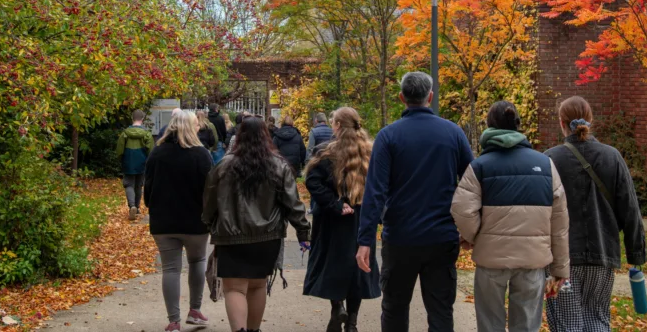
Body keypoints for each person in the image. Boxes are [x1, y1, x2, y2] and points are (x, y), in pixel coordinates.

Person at [357, 72, 474, 332]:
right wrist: (469, 229)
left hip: (400, 238)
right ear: (430, 97)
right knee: (441, 310)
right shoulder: (453, 133)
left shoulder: (388, 137)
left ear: (402, 98)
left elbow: (375, 191)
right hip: (442, 236)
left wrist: (365, 239)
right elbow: (472, 183)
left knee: (395, 308)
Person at [451, 101, 569, 332]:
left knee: (489, 324)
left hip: (491, 259)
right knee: (526, 326)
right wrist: (560, 269)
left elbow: (462, 209)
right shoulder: (545, 165)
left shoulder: (480, 166)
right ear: (518, 126)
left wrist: (476, 236)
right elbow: (560, 222)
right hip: (532, 261)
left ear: (489, 125)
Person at [545, 96, 647, 332]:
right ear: (590, 121)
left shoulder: (549, 159)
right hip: (603, 256)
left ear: (561, 123)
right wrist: (636, 254)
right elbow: (630, 209)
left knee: (564, 323)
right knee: (598, 320)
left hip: (561, 260)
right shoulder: (613, 157)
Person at [202, 117, 311, 332]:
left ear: (239, 136)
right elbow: (293, 204)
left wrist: (209, 223)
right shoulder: (279, 166)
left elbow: (209, 202)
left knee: (234, 289)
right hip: (267, 236)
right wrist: (303, 232)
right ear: (266, 136)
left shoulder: (223, 166)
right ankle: (253, 329)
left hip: (230, 237)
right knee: (258, 285)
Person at [304, 107, 379, 332]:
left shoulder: (325, 152)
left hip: (332, 221)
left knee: (332, 265)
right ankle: (353, 322)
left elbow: (312, 182)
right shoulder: (370, 152)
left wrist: (335, 203)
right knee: (358, 269)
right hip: (361, 220)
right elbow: (380, 186)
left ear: (336, 126)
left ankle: (337, 307)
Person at [144, 111, 213, 331]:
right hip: (195, 221)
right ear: (188, 127)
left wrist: (151, 206)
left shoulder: (157, 153)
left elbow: (148, 187)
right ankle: (195, 310)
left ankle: (173, 321)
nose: (199, 128)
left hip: (164, 221)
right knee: (197, 261)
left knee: (171, 269)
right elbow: (209, 190)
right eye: (196, 124)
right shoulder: (201, 155)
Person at [115, 109, 154, 221]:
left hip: (128, 162)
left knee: (129, 184)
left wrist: (121, 160)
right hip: (142, 163)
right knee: (138, 185)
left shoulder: (125, 134)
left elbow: (119, 150)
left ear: (132, 118)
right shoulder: (146, 134)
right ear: (142, 119)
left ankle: (131, 206)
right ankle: (136, 208)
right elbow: (151, 151)